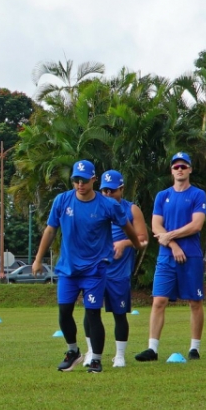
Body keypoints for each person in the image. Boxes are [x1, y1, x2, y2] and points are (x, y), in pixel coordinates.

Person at [33, 160, 142, 373]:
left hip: (95, 269)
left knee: (93, 314)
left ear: (93, 179)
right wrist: (38, 259)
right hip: (68, 269)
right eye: (76, 180)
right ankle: (73, 351)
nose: (80, 184)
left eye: (84, 180)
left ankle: (96, 359)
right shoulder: (62, 201)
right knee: (64, 312)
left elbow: (127, 227)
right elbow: (50, 231)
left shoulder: (108, 205)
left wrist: (136, 244)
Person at [136, 152, 206, 362]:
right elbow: (156, 226)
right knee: (159, 300)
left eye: (183, 166)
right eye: (176, 167)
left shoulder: (197, 195)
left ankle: (194, 348)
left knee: (195, 301)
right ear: (171, 170)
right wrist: (173, 244)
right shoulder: (162, 196)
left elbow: (197, 225)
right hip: (167, 256)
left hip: (191, 255)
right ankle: (152, 349)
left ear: (190, 169)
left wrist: (171, 236)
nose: (179, 170)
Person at [85, 170, 147, 368]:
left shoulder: (132, 209)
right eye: (104, 190)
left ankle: (119, 356)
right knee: (91, 312)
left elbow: (143, 240)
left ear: (121, 189)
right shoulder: (93, 208)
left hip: (119, 271)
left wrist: (123, 244)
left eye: (112, 191)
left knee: (119, 314)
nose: (108, 194)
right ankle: (91, 352)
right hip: (95, 270)